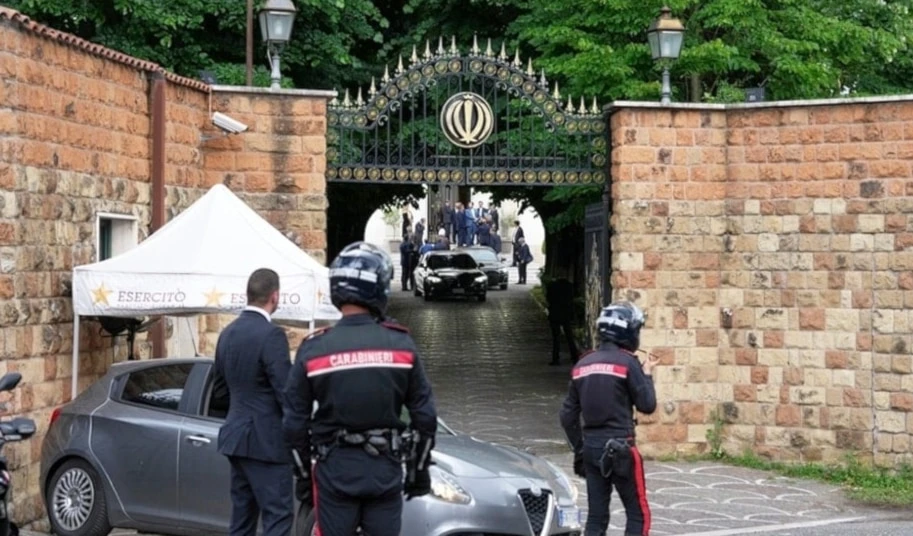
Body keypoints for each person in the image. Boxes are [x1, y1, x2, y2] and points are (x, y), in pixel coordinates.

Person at [283, 242, 438, 536]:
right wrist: (419, 471)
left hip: (335, 473)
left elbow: (293, 424)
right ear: (379, 287)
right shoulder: (401, 345)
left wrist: (303, 477)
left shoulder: (314, 349)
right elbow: (426, 417)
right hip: (384, 473)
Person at [559, 301, 659, 536]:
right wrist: (647, 374)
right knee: (637, 514)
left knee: (596, 516)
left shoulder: (582, 364)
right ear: (628, 331)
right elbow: (647, 405)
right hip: (621, 447)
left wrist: (580, 448)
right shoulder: (628, 363)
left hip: (592, 449)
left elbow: (566, 415)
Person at [211, 268, 293, 536]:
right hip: (267, 442)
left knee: (242, 521)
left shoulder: (227, 334)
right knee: (278, 518)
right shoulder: (272, 335)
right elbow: (286, 392)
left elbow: (219, 392)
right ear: (275, 296)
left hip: (236, 438)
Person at [546, 276, 580, 365]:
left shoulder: (552, 286)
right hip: (566, 314)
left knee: (556, 338)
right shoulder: (569, 286)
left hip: (555, 313)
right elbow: (573, 298)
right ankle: (575, 357)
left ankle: (555, 358)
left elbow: (548, 298)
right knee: (569, 337)